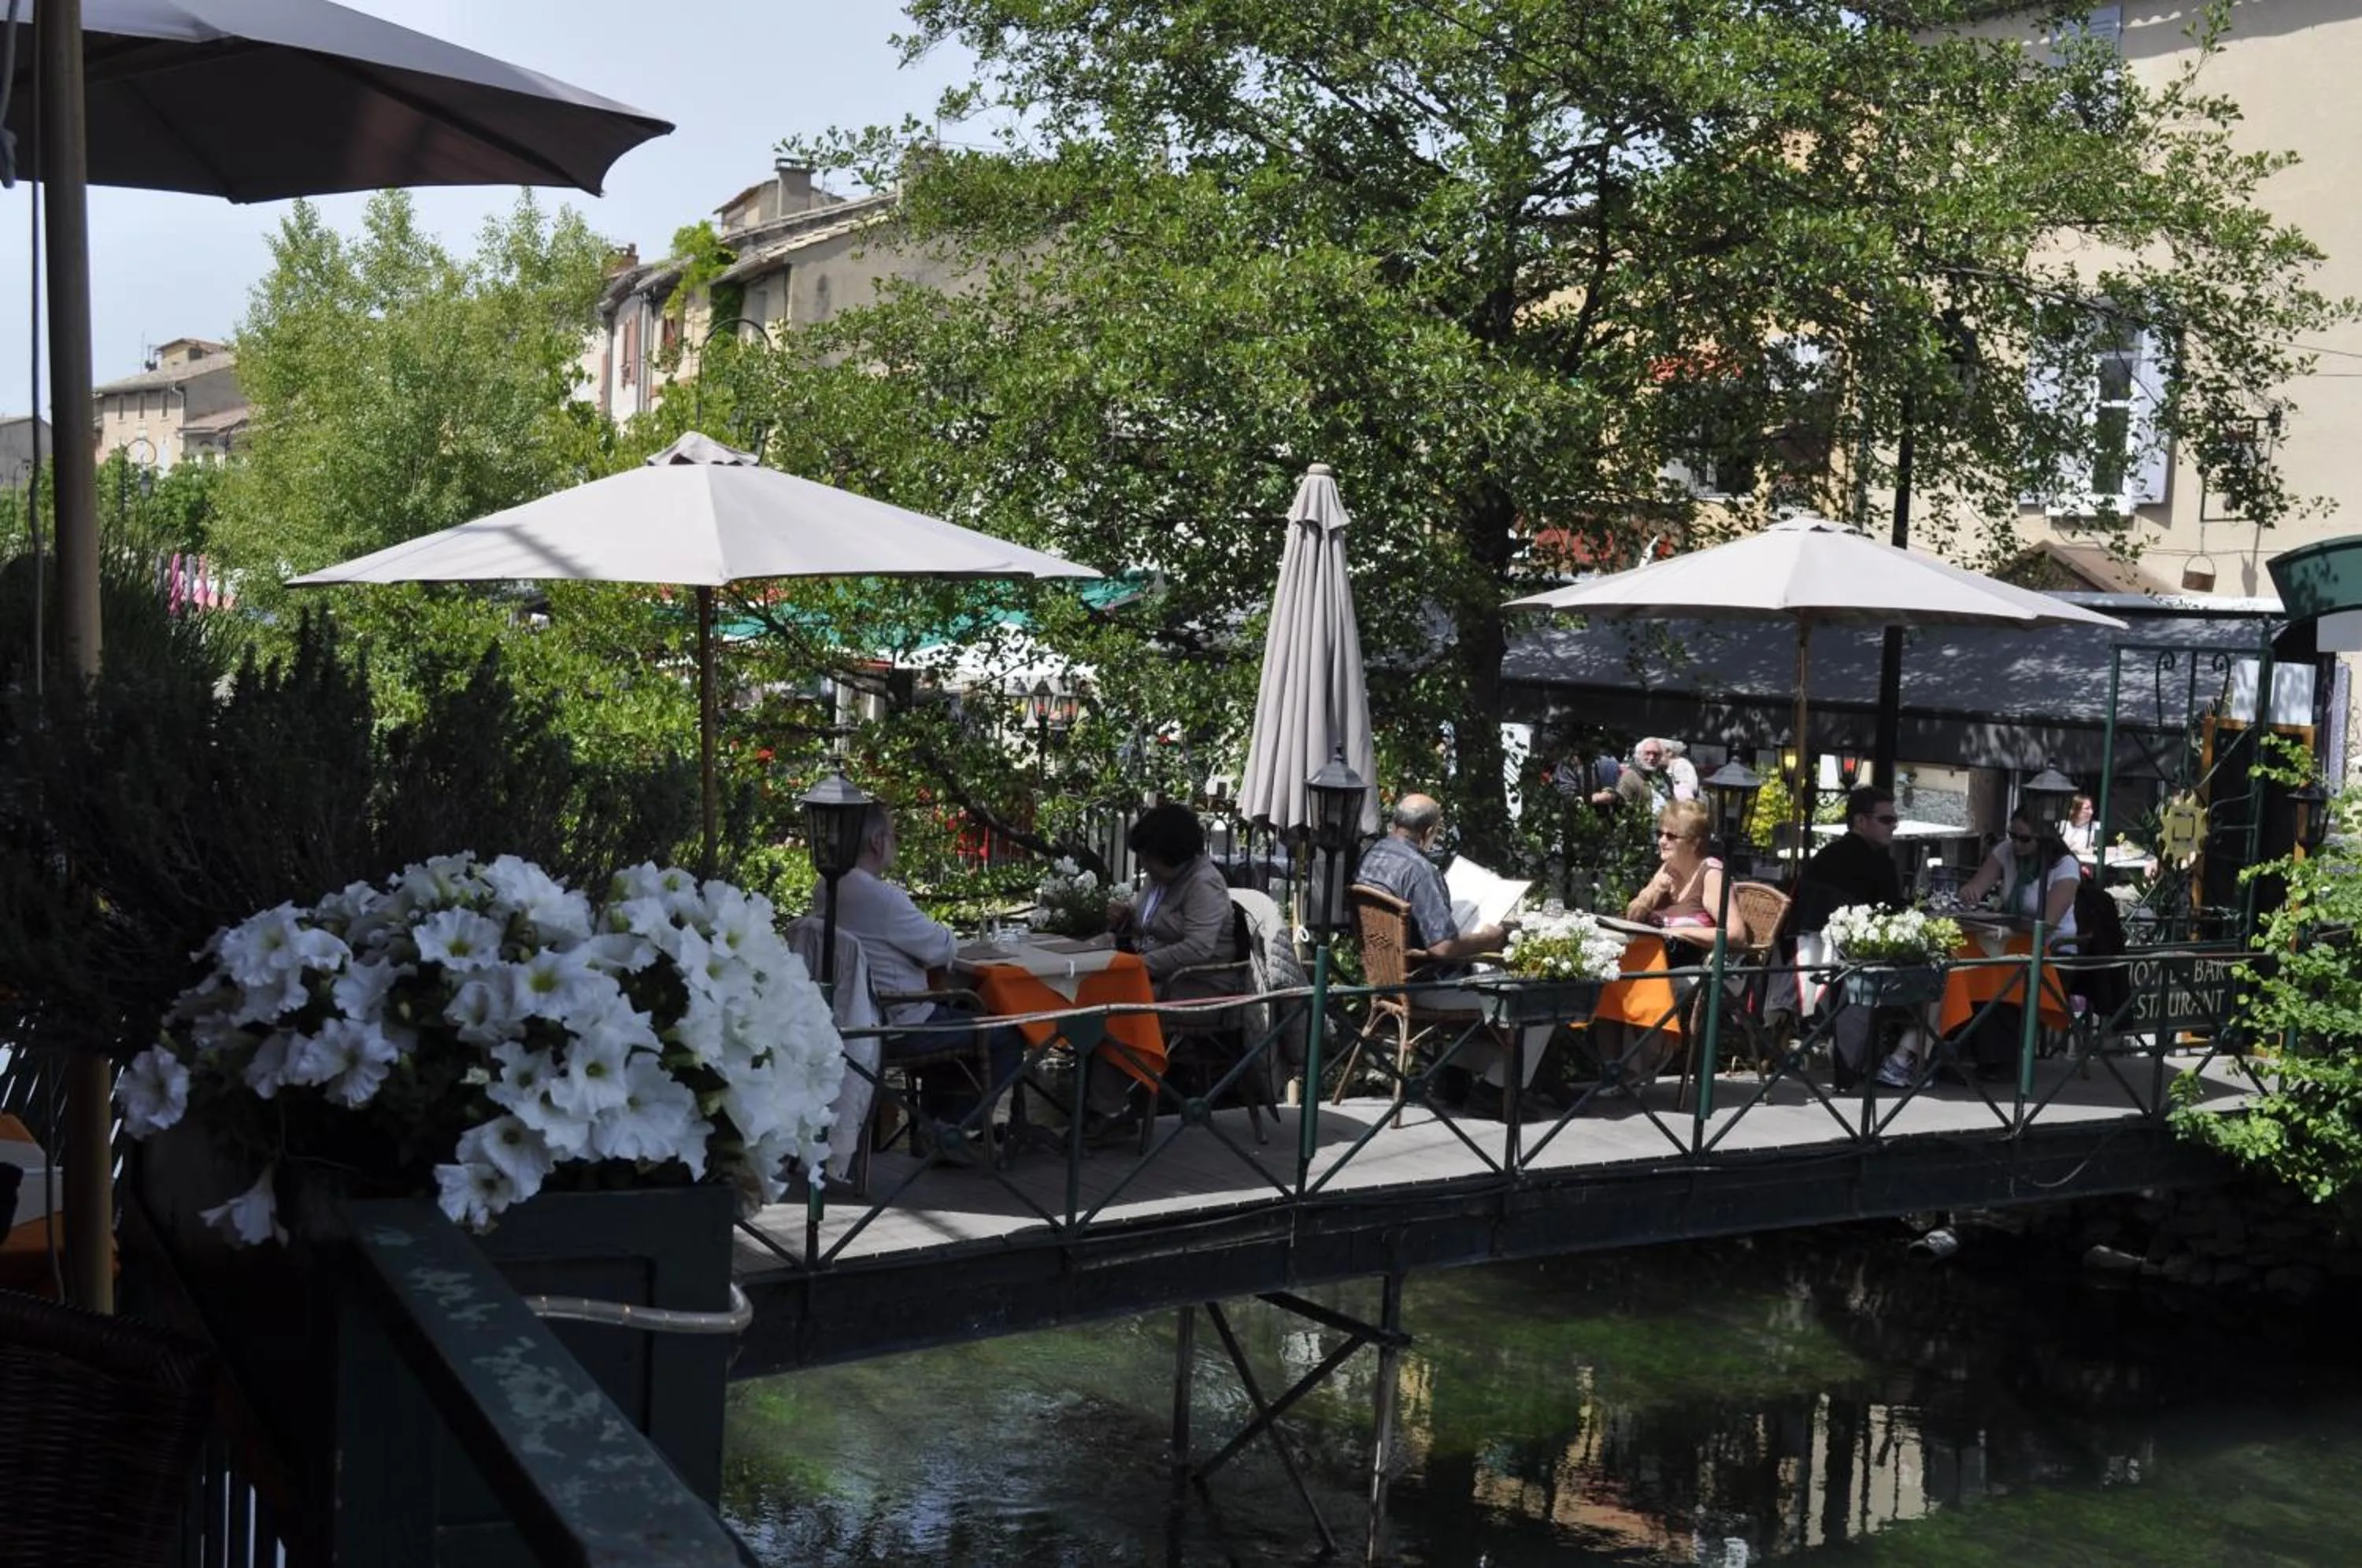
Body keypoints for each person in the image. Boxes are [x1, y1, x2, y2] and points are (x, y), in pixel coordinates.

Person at [834, 804, 1022, 1163]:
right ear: (877, 842)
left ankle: (936, 1128)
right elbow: (941, 947)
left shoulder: (829, 887)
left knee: (964, 1014)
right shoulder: (882, 898)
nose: (895, 843)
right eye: (893, 835)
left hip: (855, 1019)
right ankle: (951, 1131)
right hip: (900, 1022)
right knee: (1009, 1034)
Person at [1353, 793, 1546, 1121]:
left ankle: (1452, 1080)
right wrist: (1491, 937)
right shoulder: (1420, 869)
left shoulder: (1373, 855)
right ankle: (1494, 1094)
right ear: (1428, 831)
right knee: (1535, 997)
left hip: (1386, 977)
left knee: (1492, 986)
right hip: (1425, 985)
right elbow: (1442, 948)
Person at [1596, 799, 1732, 1089]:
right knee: (1604, 981)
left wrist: (1681, 931)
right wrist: (1652, 893)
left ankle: (1633, 1071)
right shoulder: (1667, 870)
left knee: (1631, 985)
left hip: (1690, 965)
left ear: (1694, 843)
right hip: (1653, 958)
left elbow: (1734, 934)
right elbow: (1632, 915)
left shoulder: (1711, 874)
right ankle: (1614, 1070)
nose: (1662, 840)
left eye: (1671, 836)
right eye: (1660, 833)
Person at [1787, 786, 1907, 1089]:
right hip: (1857, 967)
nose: (1894, 826)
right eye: (1887, 819)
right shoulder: (1877, 863)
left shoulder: (1827, 856)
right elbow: (1895, 914)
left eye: (1894, 820)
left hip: (1809, 962)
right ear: (1861, 821)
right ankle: (1904, 1060)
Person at [1110, 803, 1241, 1003]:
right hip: (1158, 975)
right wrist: (1125, 915)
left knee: (1108, 1000)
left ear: (1173, 855)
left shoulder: (1203, 883)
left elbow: (1197, 948)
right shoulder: (1160, 877)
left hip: (1196, 986)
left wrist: (1138, 965)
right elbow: (1151, 919)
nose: (1143, 864)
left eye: (1148, 858)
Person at [2060, 793, 2100, 858]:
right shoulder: (2063, 826)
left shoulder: (2096, 827)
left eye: (2091, 808)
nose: (2091, 812)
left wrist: (2081, 850)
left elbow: (2104, 850)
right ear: (2076, 810)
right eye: (2087, 809)